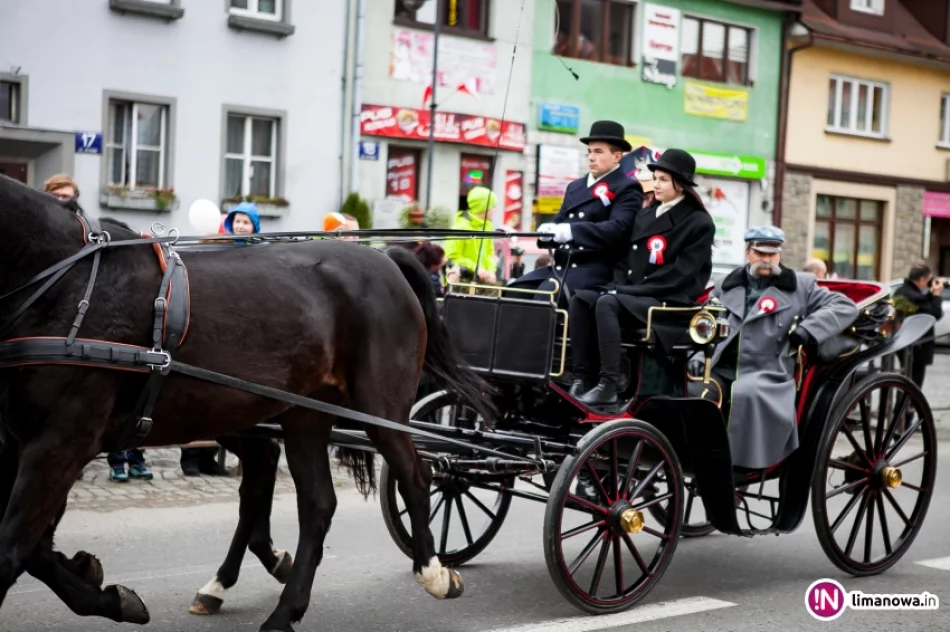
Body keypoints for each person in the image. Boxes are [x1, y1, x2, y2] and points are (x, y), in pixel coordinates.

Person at [690, 226, 859, 471]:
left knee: (746, 393)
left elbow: (845, 307)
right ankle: (692, 459)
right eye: (760, 253)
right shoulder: (725, 285)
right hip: (720, 365)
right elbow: (706, 325)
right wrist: (697, 354)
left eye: (772, 254)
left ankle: (738, 468)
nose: (767, 260)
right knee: (690, 390)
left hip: (769, 371)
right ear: (748, 253)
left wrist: (809, 329)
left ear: (779, 255)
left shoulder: (802, 285)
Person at [568, 149, 716, 405]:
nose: (655, 185)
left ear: (679, 186)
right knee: (581, 300)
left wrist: (623, 293)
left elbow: (679, 275)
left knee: (607, 303)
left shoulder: (698, 223)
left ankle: (609, 383)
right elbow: (625, 259)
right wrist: (616, 286)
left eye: (662, 180)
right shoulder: (646, 214)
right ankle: (581, 377)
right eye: (655, 178)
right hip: (636, 296)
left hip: (669, 301)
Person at [507, 121, 641, 307]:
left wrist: (572, 232)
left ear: (617, 156)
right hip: (561, 267)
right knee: (513, 292)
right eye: (590, 151)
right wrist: (548, 233)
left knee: (545, 299)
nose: (591, 157)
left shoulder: (627, 187)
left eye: (599, 152)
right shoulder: (575, 186)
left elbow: (619, 229)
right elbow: (561, 220)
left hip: (595, 270)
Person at [893, 263, 944, 388]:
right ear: (922, 279)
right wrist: (936, 295)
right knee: (914, 381)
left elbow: (922, 307)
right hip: (917, 344)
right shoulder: (916, 296)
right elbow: (935, 314)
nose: (928, 283)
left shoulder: (902, 291)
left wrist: (931, 295)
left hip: (904, 343)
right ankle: (909, 406)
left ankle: (904, 404)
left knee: (905, 377)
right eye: (928, 280)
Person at [443, 186, 500, 284]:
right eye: (492, 206)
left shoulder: (487, 227)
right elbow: (452, 258)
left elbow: (490, 254)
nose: (494, 210)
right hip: (461, 283)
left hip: (481, 283)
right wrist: (476, 269)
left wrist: (491, 271)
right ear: (483, 207)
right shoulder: (460, 228)